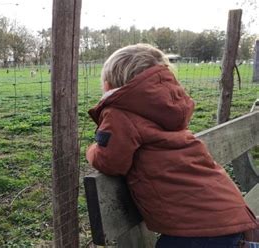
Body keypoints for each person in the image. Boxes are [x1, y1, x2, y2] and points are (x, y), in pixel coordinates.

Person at [85, 43, 259, 248]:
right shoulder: (168, 106)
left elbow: (109, 161)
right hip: (225, 213)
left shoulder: (119, 112)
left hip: (196, 229)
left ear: (109, 84)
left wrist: (92, 151)